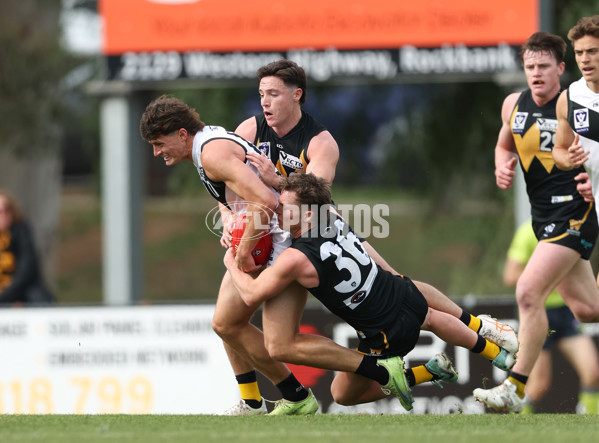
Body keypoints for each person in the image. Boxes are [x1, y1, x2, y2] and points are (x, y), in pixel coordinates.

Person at [230, 59, 519, 414]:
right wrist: (233, 213)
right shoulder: (250, 130)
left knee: (331, 384)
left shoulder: (320, 145)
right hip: (332, 245)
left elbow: (314, 191)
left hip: (357, 305)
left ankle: (291, 394)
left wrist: (238, 248)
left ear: (296, 95)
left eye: (273, 93)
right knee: (403, 288)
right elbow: (233, 183)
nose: (264, 102)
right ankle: (484, 340)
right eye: (261, 94)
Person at [223, 173, 518, 410]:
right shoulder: (333, 219)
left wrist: (233, 260)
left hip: (385, 336)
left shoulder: (295, 259)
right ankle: (495, 354)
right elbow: (344, 228)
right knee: (432, 317)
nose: (277, 209)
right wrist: (275, 181)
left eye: (285, 207)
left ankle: (412, 374)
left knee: (342, 395)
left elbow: (250, 295)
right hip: (403, 295)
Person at [140, 94, 320, 416]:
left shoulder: (211, 154)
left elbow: (265, 199)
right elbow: (235, 191)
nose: (156, 152)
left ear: (182, 134)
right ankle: (254, 402)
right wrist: (228, 217)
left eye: (158, 143)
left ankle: (295, 395)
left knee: (233, 326)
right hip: (271, 236)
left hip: (277, 241)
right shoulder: (208, 145)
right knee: (227, 324)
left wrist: (244, 251)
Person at [473, 31, 599, 413]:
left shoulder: (576, 103)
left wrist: (590, 174)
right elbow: (504, 144)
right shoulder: (513, 104)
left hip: (575, 212)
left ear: (562, 68)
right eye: (530, 67)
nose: (536, 73)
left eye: (544, 66)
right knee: (587, 311)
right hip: (542, 216)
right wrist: (501, 166)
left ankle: (513, 387)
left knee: (528, 291)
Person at [504, 220, 599, 414]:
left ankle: (590, 423)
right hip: (539, 313)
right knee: (539, 385)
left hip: (567, 312)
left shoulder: (572, 230)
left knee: (593, 373)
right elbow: (510, 276)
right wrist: (548, 274)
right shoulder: (527, 233)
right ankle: (517, 422)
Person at [0, 190, 54, 305]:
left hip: (18, 291)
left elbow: (26, 271)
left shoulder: (20, 231)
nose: (3, 214)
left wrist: (5, 296)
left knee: (37, 296)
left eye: (6, 209)